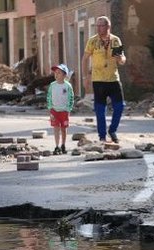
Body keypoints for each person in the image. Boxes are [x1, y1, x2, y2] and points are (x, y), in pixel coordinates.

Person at [83, 16, 126, 144]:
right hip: (98, 79)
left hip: (113, 78)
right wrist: (85, 77)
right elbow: (85, 59)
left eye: (101, 25)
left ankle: (112, 130)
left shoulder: (115, 40)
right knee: (100, 110)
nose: (98, 28)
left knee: (119, 107)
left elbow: (123, 59)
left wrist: (120, 60)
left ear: (108, 27)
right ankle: (102, 136)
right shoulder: (92, 41)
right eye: (97, 25)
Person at [47, 64, 74, 155]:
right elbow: (49, 97)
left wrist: (69, 109)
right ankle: (56, 146)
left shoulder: (67, 86)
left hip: (64, 111)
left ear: (64, 75)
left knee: (63, 128)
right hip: (54, 110)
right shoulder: (52, 85)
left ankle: (63, 145)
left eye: (59, 73)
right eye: (55, 73)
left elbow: (71, 98)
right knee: (56, 128)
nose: (56, 74)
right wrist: (50, 108)